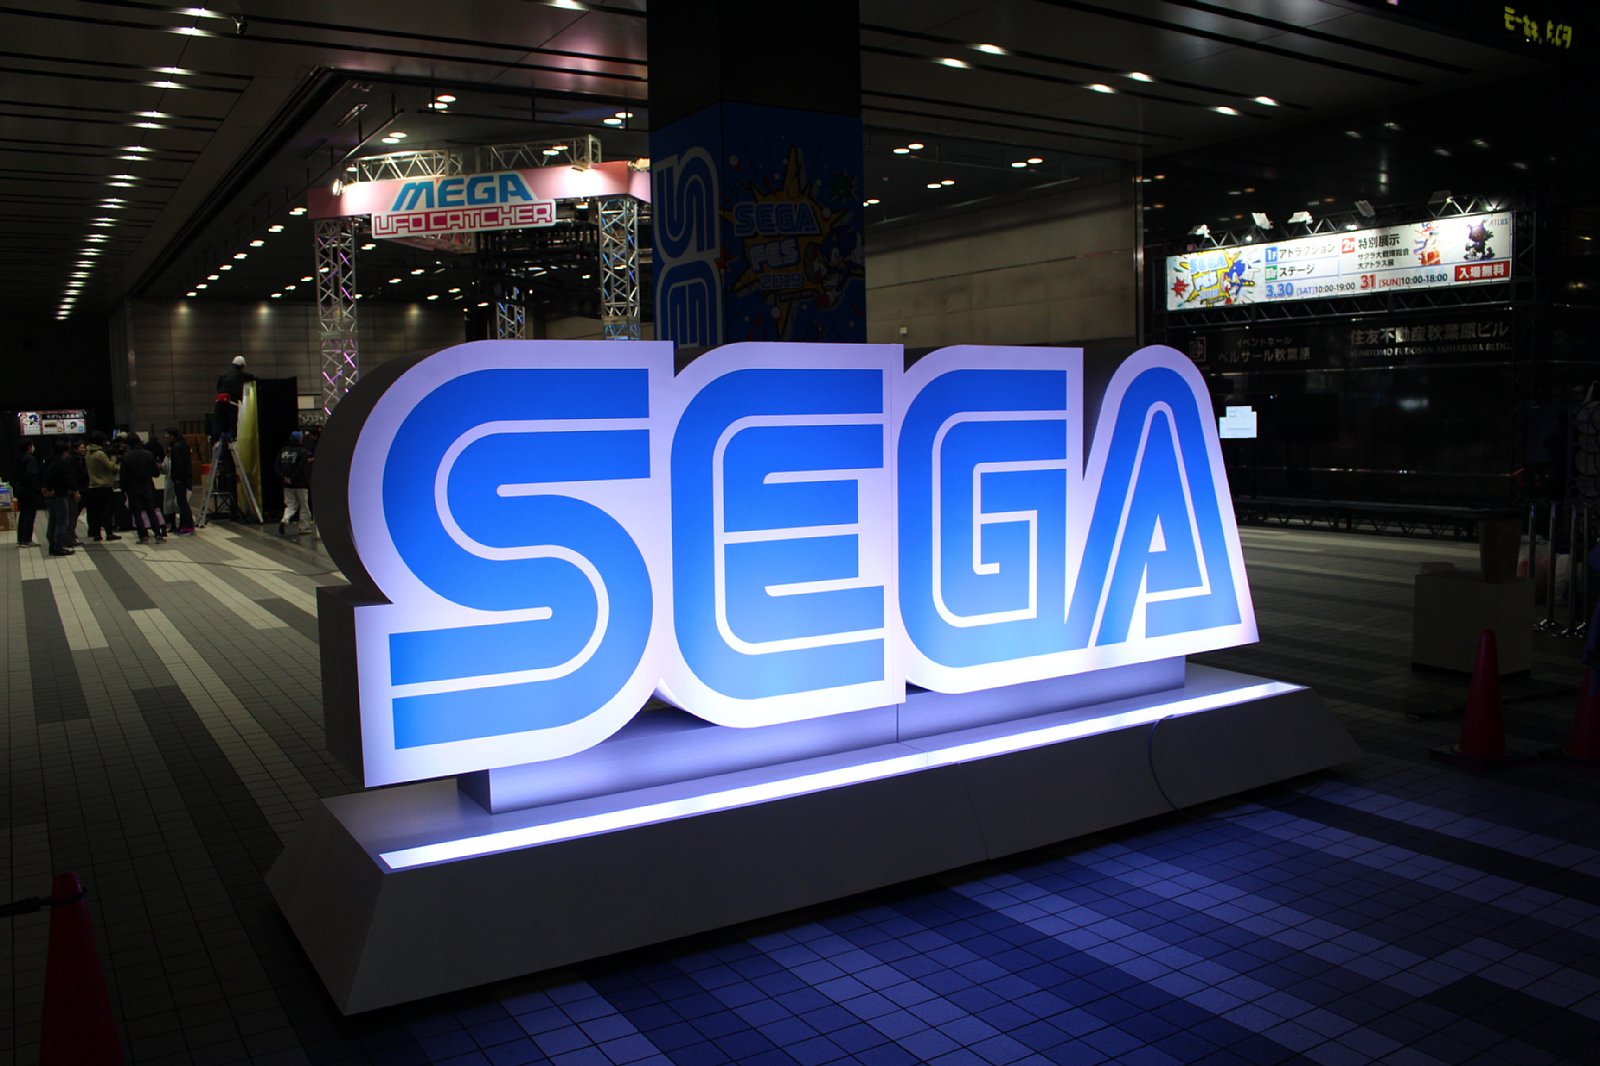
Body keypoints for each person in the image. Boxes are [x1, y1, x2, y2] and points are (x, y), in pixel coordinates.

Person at [119, 433, 166, 544]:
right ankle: (158, 534)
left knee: (137, 513)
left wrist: (123, 489)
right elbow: (156, 473)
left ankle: (143, 536)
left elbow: (123, 476)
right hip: (147, 486)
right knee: (151, 511)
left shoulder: (126, 457)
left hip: (132, 488)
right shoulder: (148, 454)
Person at [39, 440, 76, 556]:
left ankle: (52, 545)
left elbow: (41, 475)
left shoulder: (47, 461)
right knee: (62, 522)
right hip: (59, 495)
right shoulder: (61, 464)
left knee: (53, 521)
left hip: (49, 496)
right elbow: (64, 480)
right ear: (64, 451)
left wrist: (44, 488)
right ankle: (58, 546)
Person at [84, 432, 121, 542]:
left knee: (95, 512)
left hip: (92, 486)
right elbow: (110, 467)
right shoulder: (100, 453)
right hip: (104, 486)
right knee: (107, 512)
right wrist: (113, 458)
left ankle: (96, 534)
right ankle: (109, 533)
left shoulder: (88, 453)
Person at [276, 431, 312, 535]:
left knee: (290, 505)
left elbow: (277, 465)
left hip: (286, 484)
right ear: (300, 439)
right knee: (304, 506)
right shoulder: (303, 452)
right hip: (301, 483)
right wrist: (292, 478)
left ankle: (285, 519)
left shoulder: (283, 451)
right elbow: (301, 467)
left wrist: (284, 477)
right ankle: (304, 527)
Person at [163, 428, 195, 534]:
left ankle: (188, 526)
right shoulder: (183, 445)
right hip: (185, 479)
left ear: (172, 436)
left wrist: (176, 478)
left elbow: (178, 464)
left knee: (182, 503)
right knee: (182, 503)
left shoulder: (176, 447)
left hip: (180, 480)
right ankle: (185, 526)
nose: (166, 438)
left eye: (167, 436)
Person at [11, 440, 40, 546]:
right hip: (29, 491)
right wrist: (36, 487)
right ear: (28, 447)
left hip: (20, 489)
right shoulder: (30, 459)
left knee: (23, 514)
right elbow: (31, 475)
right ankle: (27, 539)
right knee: (30, 515)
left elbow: (13, 474)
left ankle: (21, 539)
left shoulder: (18, 458)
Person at [65, 439, 88, 547]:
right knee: (72, 515)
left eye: (84, 447)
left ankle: (71, 534)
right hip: (74, 490)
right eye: (81, 447)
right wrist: (75, 491)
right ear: (75, 449)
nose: (84, 449)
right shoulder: (72, 460)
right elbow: (72, 477)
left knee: (75, 513)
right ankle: (69, 538)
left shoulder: (81, 459)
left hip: (82, 488)